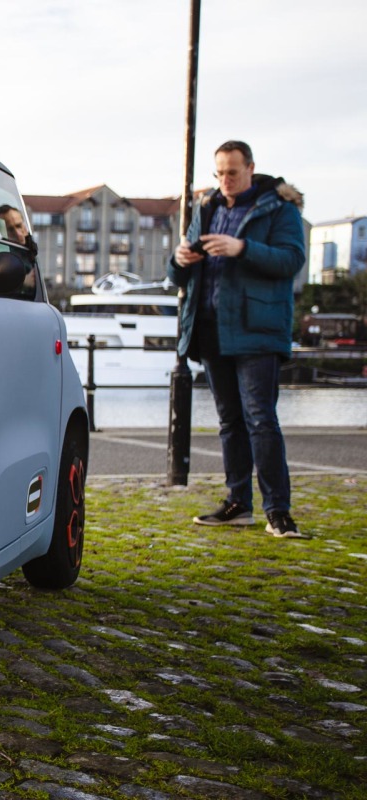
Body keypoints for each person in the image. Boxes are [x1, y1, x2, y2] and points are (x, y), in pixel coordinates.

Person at [169, 140, 306, 538]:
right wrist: (180, 259)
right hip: (210, 327)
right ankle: (238, 504)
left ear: (251, 169)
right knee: (229, 422)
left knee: (261, 420)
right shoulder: (207, 208)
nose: (225, 180)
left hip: (257, 330)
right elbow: (177, 275)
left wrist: (241, 248)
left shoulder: (279, 209)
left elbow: (291, 260)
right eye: (219, 173)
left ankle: (279, 512)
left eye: (232, 172)